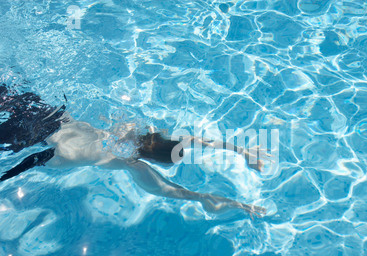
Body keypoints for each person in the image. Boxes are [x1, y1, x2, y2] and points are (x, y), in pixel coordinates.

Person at [0, 85, 266, 218]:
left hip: (55, 116)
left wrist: (243, 151)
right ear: (156, 162)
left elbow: (196, 140)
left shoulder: (130, 128)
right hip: (42, 148)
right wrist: (222, 201)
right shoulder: (133, 165)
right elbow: (169, 190)